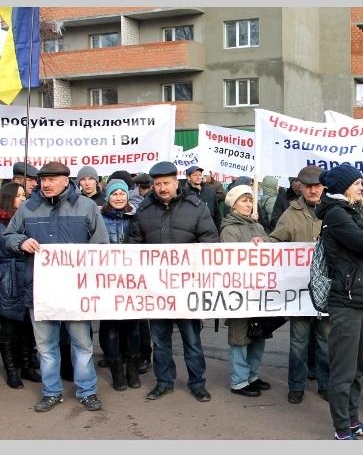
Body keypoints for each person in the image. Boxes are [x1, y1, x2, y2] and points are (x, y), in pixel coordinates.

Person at [3, 161, 109, 412]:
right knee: (46, 347)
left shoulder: (86, 206)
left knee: (82, 345)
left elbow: (101, 243)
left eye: (52, 179)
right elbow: (8, 236)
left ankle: (87, 391)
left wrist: (84, 262)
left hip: (76, 291)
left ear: (65, 180)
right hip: (40, 291)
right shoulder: (28, 208)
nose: (46, 184)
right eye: (43, 180)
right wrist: (20, 242)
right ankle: (51, 392)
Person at [126, 161, 219, 403]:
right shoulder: (144, 210)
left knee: (192, 340)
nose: (162, 188)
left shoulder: (196, 207)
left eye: (166, 183)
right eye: (157, 184)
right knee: (160, 340)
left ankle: (197, 384)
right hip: (156, 290)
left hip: (187, 289)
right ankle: (164, 382)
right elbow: (132, 247)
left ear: (176, 182)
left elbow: (211, 242)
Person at [315, 164, 363, 440]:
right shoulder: (337, 214)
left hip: (362, 297)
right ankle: (341, 430)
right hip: (346, 300)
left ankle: (352, 421)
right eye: (358, 183)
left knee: (357, 369)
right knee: (343, 371)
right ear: (344, 187)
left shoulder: (353, 210)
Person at [264, 165, 330, 404]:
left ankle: (326, 385)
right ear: (300, 187)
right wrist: (263, 243)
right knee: (299, 341)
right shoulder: (291, 213)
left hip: (326, 288)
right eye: (308, 186)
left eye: (317, 186)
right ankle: (296, 386)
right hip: (299, 291)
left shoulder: (334, 210)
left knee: (325, 341)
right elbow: (275, 240)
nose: (313, 190)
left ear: (324, 187)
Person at [220, 184, 273, 398]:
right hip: (240, 292)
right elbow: (230, 260)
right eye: (243, 200)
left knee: (258, 334)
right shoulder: (229, 229)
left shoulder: (257, 226)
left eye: (250, 200)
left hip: (258, 290)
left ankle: (252, 375)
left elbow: (270, 246)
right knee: (240, 337)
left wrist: (264, 241)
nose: (249, 204)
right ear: (233, 205)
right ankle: (239, 380)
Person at [99, 179, 141, 391]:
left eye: (122, 193)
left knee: (133, 327)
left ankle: (132, 369)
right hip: (107, 281)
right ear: (108, 197)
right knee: (110, 327)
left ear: (127, 195)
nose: (118, 197)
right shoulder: (98, 217)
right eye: (114, 194)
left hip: (133, 281)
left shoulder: (136, 216)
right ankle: (116, 371)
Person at [0, 183, 41, 389]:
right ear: (8, 198)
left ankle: (26, 367)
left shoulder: (27, 219)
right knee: (7, 331)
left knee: (27, 327)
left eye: (24, 195)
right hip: (7, 280)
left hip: (28, 276)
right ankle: (11, 371)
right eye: (19, 195)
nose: (23, 198)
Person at [182, 165, 222, 231]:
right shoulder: (184, 194)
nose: (198, 177)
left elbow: (217, 214)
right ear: (188, 177)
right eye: (195, 175)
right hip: (192, 231)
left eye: (200, 175)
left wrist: (217, 230)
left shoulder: (210, 191)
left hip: (210, 230)